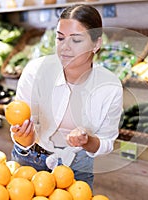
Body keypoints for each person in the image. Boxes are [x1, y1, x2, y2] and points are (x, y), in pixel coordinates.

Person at [9, 4, 123, 189]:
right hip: (29, 160)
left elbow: (107, 141)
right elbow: (21, 131)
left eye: (76, 40)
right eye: (60, 38)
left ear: (96, 44)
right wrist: (24, 137)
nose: (65, 47)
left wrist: (87, 141)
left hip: (77, 166)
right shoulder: (35, 72)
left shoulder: (109, 87)